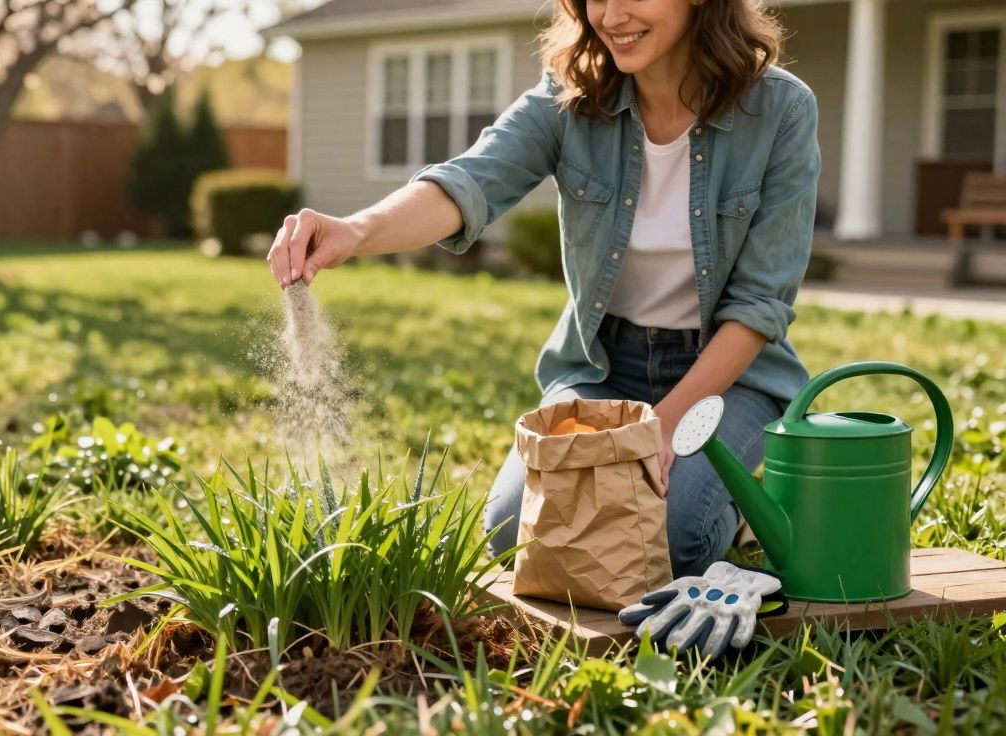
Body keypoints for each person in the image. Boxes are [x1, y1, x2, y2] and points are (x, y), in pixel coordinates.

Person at [265, 0, 819, 578]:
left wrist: (666, 424)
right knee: (515, 534)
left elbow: (759, 304)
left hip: (726, 382)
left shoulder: (780, 110)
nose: (612, 15)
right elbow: (469, 182)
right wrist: (354, 231)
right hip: (605, 368)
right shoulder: (571, 94)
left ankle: (742, 512)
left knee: (671, 546)